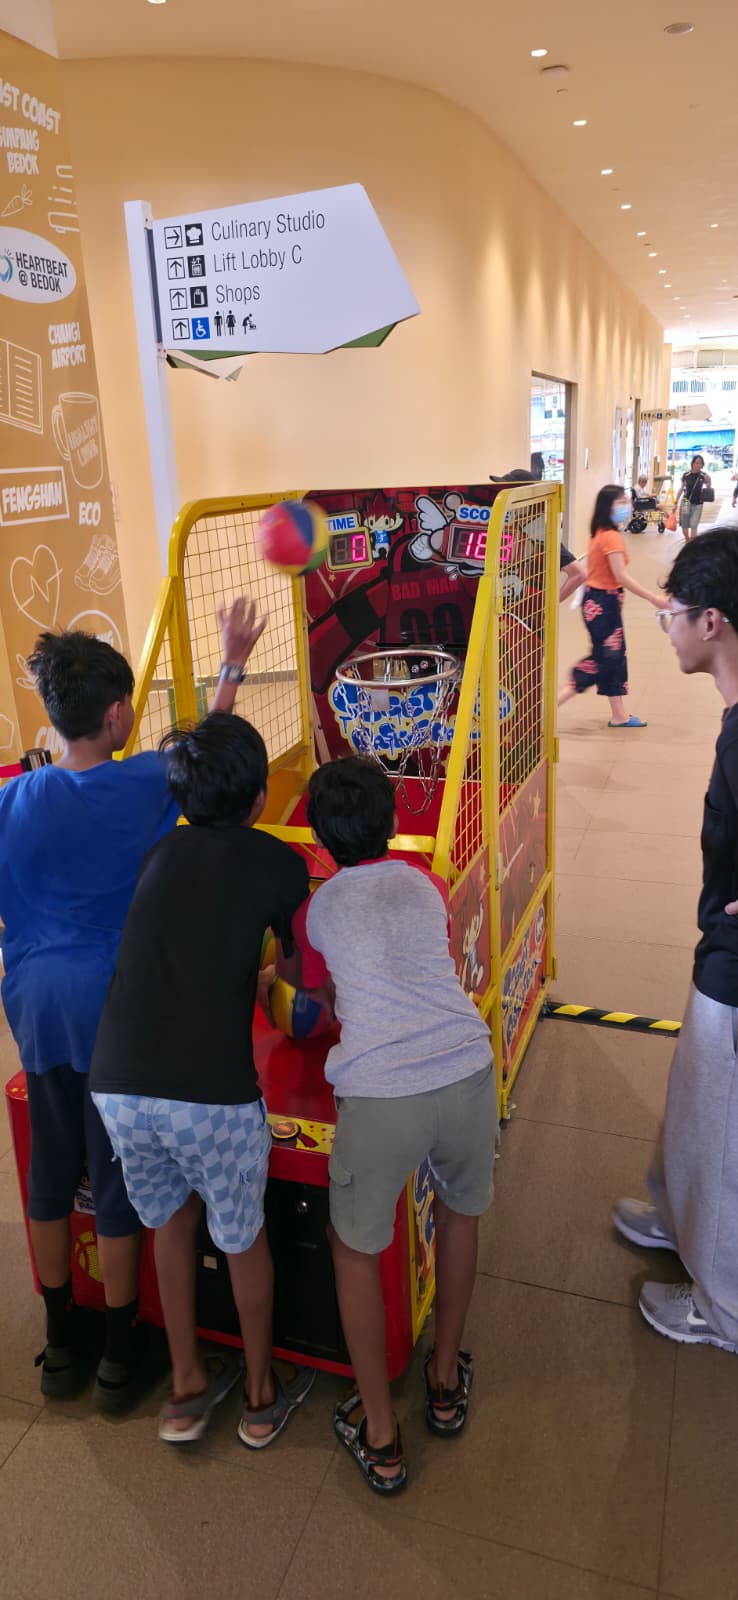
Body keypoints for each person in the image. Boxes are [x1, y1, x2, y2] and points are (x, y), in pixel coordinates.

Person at [0, 596, 264, 1409]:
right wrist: (231, 660)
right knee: (109, 1180)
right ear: (117, 716)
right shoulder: (142, 783)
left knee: (49, 1170)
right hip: (112, 1011)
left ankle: (58, 1345)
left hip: (34, 1006)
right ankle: (120, 1353)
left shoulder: (13, 798)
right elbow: (205, 757)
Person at [90, 713, 316, 1445]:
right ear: (259, 798)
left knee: (170, 1222)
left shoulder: (159, 854)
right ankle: (258, 1392)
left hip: (117, 1085)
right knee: (243, 1236)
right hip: (211, 1100)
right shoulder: (280, 863)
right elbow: (295, 976)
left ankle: (186, 1387)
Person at [286, 755, 496, 1495]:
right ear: (393, 822)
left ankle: (380, 1432)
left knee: (353, 1248)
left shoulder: (316, 912)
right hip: (468, 1067)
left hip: (379, 1094)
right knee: (461, 1216)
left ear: (319, 837)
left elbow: (318, 1002)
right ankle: (443, 1382)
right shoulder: (425, 883)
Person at [613, 526, 738, 1352]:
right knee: (693, 1089)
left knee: (719, 1122)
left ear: (715, 624)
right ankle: (674, 1211)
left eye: (676, 615)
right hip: (716, 938)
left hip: (734, 967)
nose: (669, 629)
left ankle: (722, 1306)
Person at [557, 483, 664, 728]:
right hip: (603, 604)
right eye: (622, 502)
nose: (627, 506)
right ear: (609, 507)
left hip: (600, 603)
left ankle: (619, 715)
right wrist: (653, 598)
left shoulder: (599, 533)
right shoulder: (611, 537)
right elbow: (621, 576)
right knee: (605, 658)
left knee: (614, 656)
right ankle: (555, 704)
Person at [490, 467, 586, 600]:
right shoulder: (500, 523)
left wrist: (550, 603)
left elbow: (578, 574)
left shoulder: (538, 534)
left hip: (521, 609)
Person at [674, 453, 712, 543]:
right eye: (696, 463)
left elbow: (708, 487)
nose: (698, 465)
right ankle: (687, 539)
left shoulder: (703, 475)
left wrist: (709, 482)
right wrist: (675, 502)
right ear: (692, 463)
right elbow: (681, 488)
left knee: (694, 524)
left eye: (700, 463)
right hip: (685, 502)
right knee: (685, 525)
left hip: (698, 503)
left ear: (702, 465)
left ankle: (691, 543)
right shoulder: (686, 475)